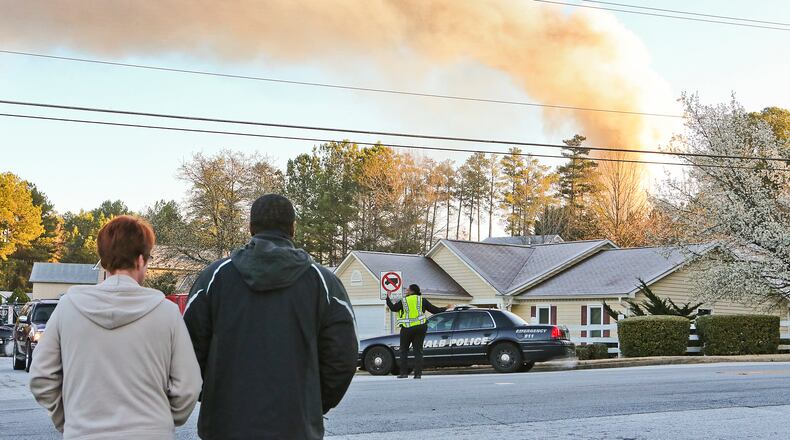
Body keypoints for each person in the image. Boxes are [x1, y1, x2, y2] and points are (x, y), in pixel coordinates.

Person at [183, 194, 358, 440]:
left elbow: (188, 351)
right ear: (293, 229)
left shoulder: (214, 278)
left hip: (225, 426)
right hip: (296, 426)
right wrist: (311, 404)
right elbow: (343, 357)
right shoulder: (323, 282)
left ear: (251, 227)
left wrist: (213, 397)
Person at [29, 215, 202, 439]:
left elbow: (41, 377)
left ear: (104, 261)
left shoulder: (67, 309)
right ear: (141, 260)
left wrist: (70, 420)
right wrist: (161, 421)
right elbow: (188, 385)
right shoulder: (166, 312)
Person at [386, 284, 453, 379]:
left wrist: (387, 298)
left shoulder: (404, 301)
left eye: (408, 290)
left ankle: (404, 373)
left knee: (403, 351)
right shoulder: (422, 300)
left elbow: (393, 308)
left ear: (412, 291)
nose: (406, 291)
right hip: (420, 328)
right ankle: (418, 374)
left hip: (407, 328)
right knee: (418, 351)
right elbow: (435, 310)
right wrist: (446, 307)